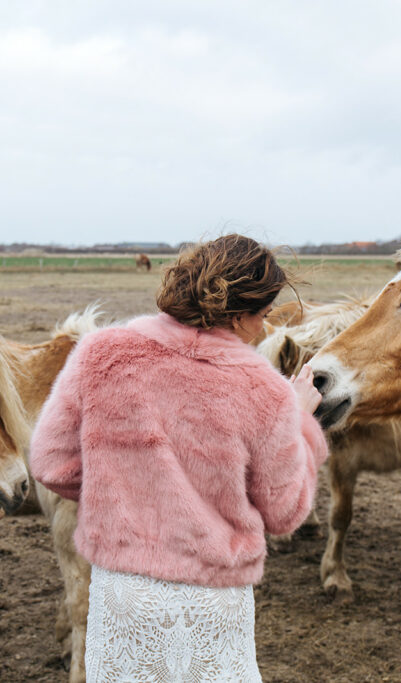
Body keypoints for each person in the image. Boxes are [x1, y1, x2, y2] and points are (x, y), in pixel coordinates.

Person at [29, 234, 328, 682]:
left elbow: (51, 464)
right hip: (213, 598)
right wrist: (301, 420)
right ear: (241, 314)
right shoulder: (265, 390)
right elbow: (284, 512)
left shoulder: (102, 353)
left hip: (124, 592)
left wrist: (123, 489)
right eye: (263, 316)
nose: (264, 329)